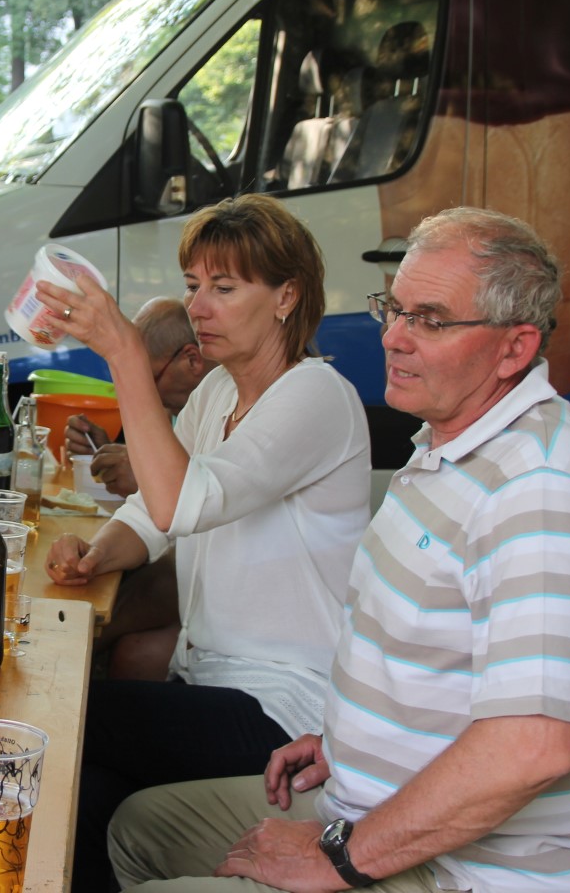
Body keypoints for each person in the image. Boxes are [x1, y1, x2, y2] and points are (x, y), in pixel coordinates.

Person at [108, 207, 570, 893]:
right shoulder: (446, 448)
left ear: (514, 348)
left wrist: (338, 858)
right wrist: (345, 742)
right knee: (135, 829)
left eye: (432, 320)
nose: (395, 339)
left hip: (463, 870)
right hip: (360, 798)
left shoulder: (539, 490)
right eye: (396, 310)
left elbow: (531, 748)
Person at [39, 194, 372, 892]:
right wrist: (100, 551)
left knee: (56, 714)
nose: (200, 307)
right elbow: (149, 512)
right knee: (87, 795)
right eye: (194, 286)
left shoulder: (316, 396)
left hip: (284, 711)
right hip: (210, 684)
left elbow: (187, 501)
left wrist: (126, 350)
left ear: (288, 296)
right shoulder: (219, 389)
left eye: (224, 287)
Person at [74, 296, 216, 498]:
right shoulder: (173, 413)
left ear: (192, 360)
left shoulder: (225, 414)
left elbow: (208, 502)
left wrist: (145, 480)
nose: (138, 390)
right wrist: (106, 454)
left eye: (146, 379)